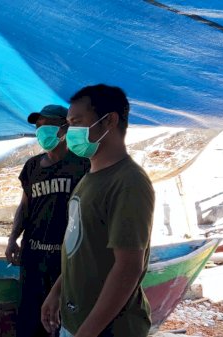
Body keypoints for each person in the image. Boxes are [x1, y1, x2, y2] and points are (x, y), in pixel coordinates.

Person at [40, 85, 155, 337]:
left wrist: (87, 332)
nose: (71, 133)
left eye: (78, 122)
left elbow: (128, 267)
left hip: (109, 329)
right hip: (77, 322)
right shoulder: (90, 177)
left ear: (109, 121)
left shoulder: (129, 182)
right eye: (69, 125)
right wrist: (56, 291)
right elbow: (80, 248)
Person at [5, 104, 91, 337]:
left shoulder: (82, 164)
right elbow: (24, 206)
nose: (41, 131)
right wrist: (13, 238)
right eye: (38, 126)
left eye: (48, 125)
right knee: (30, 320)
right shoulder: (32, 166)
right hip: (33, 256)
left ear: (65, 128)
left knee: (61, 320)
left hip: (66, 259)